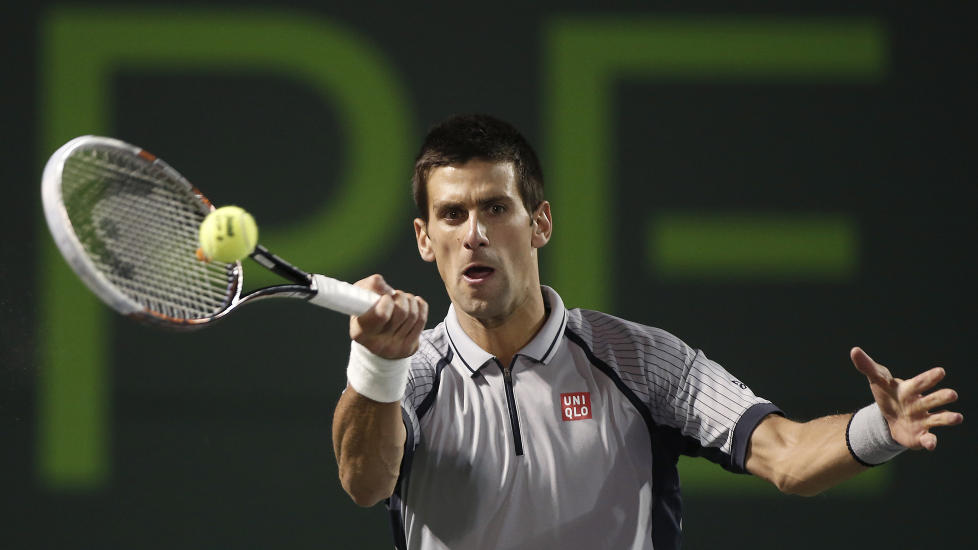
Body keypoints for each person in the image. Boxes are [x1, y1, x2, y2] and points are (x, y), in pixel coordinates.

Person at [331, 114, 963, 550]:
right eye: (452, 215)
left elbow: (789, 456)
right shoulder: (410, 374)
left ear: (539, 223)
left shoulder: (638, 359)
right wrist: (377, 368)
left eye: (496, 208)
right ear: (425, 239)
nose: (474, 234)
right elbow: (365, 482)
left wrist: (879, 429)